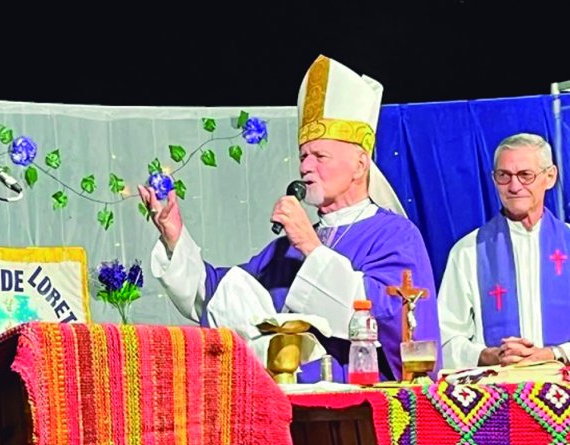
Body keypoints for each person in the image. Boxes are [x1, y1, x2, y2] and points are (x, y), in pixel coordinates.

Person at [138, 55, 441, 382]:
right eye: (303, 156)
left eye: (319, 156)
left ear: (359, 165)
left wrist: (313, 249)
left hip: (361, 410)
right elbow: (217, 294)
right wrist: (174, 237)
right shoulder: (286, 248)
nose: (305, 167)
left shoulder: (394, 235)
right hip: (288, 413)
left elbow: (398, 323)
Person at [438, 132, 569, 369]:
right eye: (504, 176)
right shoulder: (469, 250)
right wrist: (489, 355)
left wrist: (554, 353)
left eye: (525, 175)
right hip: (497, 394)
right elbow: (444, 339)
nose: (514, 186)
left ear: (550, 177)